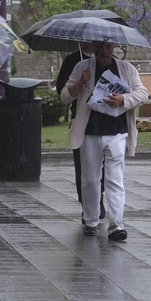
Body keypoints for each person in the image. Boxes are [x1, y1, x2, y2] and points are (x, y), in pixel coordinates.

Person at [61, 40, 148, 242]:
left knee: (115, 179)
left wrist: (123, 100)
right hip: (90, 132)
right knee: (90, 179)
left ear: (114, 47)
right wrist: (79, 84)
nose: (103, 51)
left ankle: (117, 225)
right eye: (99, 47)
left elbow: (142, 93)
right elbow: (64, 96)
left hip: (117, 132)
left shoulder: (126, 69)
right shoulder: (82, 67)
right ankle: (90, 220)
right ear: (92, 47)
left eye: (108, 47)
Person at [54, 42, 102, 220]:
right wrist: (80, 83)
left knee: (105, 169)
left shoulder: (107, 60)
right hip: (81, 120)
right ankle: (87, 205)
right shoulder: (73, 61)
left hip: (104, 122)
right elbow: (62, 90)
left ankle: (98, 200)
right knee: (83, 168)